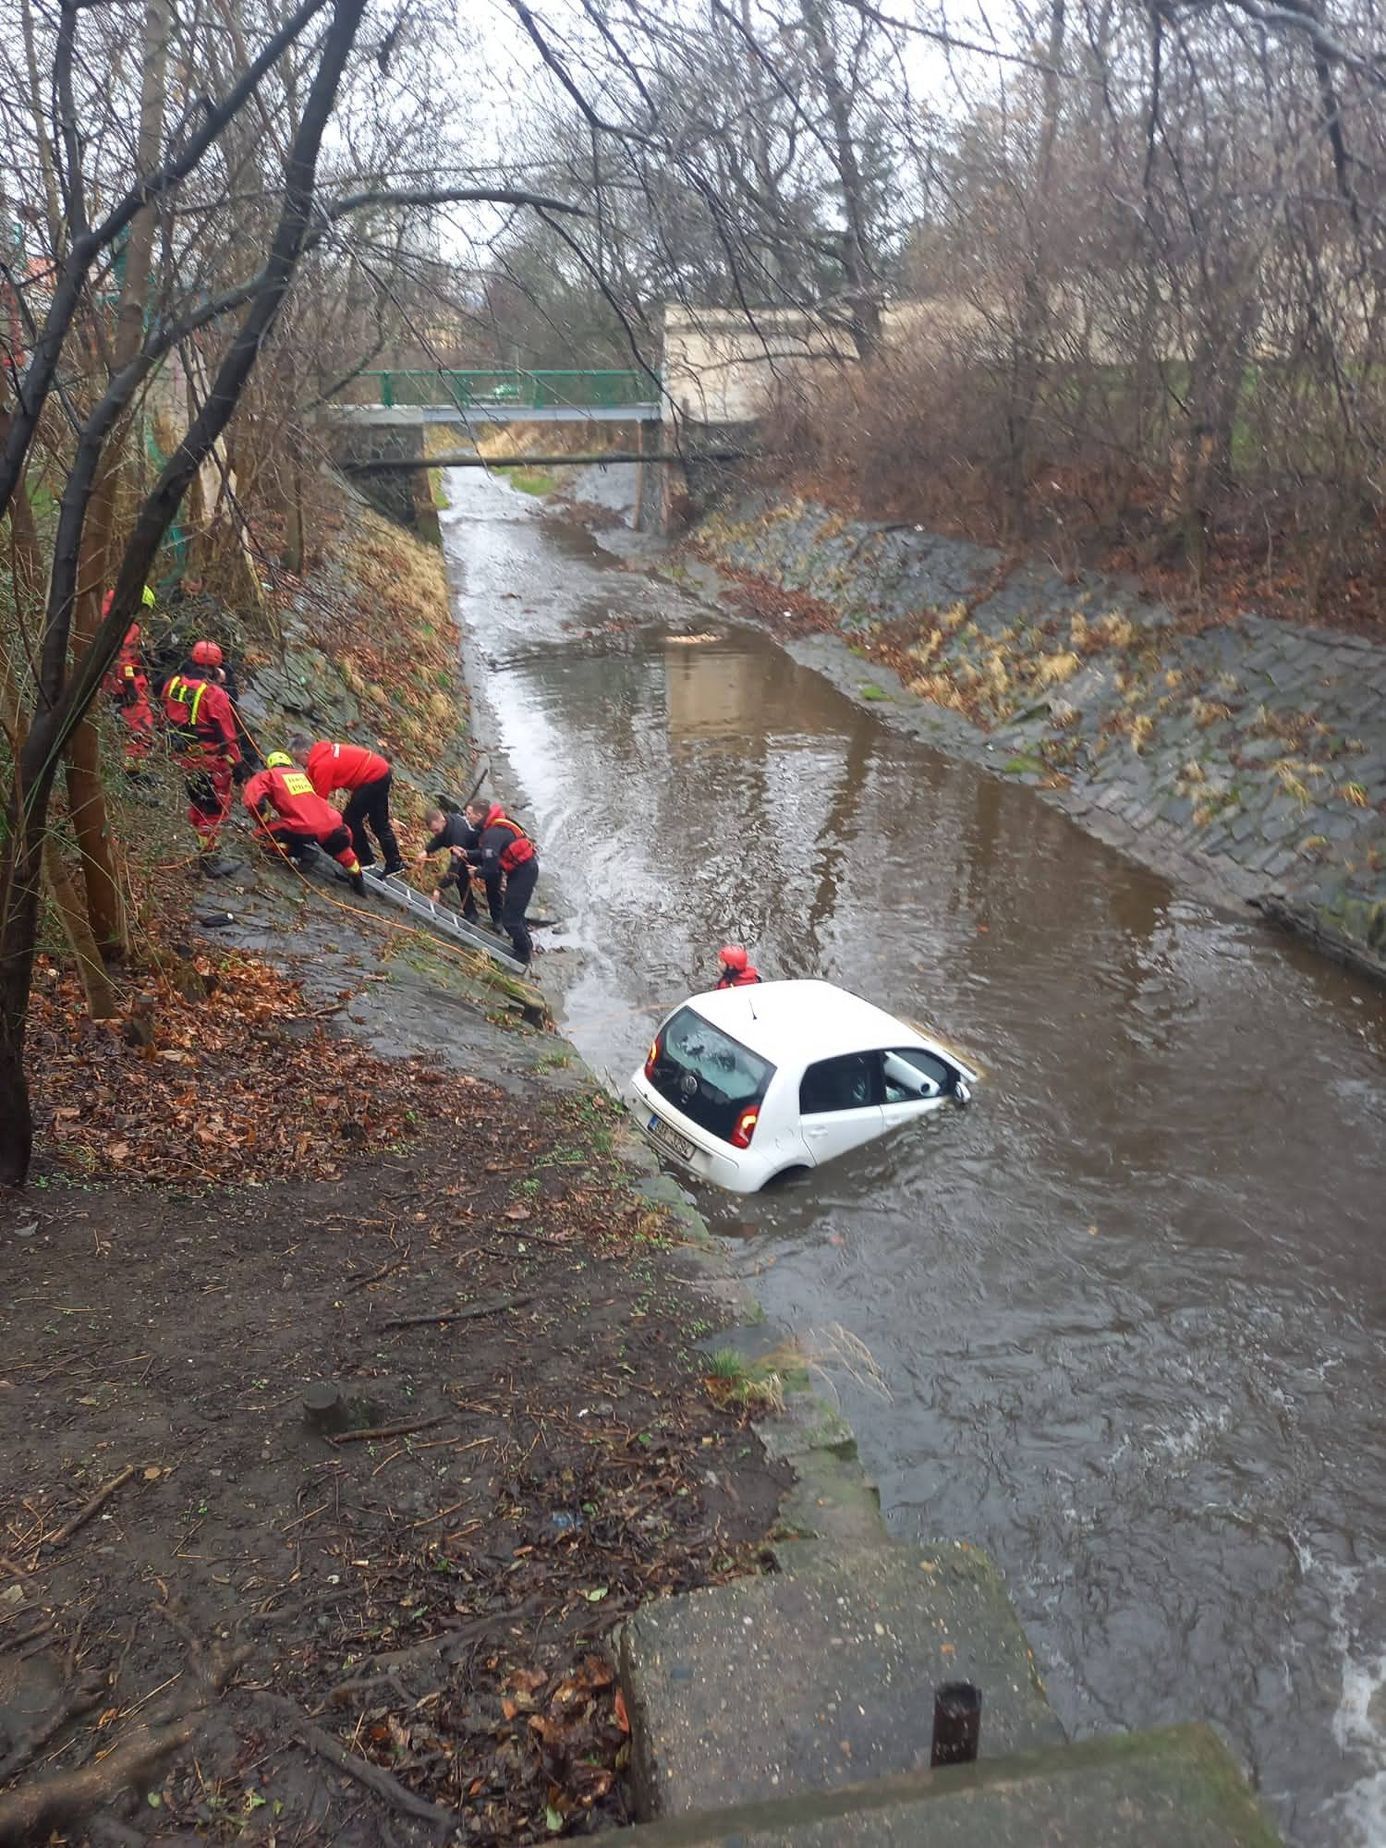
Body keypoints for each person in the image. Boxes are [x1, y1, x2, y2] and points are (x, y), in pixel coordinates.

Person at [160, 641, 243, 855]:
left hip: (183, 755)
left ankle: (202, 844)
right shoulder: (213, 693)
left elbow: (164, 714)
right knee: (214, 806)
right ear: (216, 667)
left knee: (198, 800)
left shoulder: (173, 683)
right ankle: (210, 856)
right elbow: (226, 733)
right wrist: (237, 763)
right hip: (209, 758)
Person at [242, 752, 365, 894]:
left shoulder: (268, 776)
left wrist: (264, 822)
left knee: (259, 836)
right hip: (333, 822)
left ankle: (302, 852)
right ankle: (358, 881)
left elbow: (252, 802)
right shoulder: (302, 776)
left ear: (270, 765)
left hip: (302, 825)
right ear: (290, 764)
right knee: (343, 852)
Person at [290, 735, 403, 877]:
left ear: (306, 753)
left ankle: (366, 861)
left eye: (297, 758)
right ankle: (395, 863)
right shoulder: (322, 753)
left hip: (372, 777)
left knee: (351, 820)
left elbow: (319, 801)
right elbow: (310, 782)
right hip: (380, 771)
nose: (298, 763)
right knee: (379, 823)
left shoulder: (322, 764)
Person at [459, 798, 539, 965]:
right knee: (514, 913)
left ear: (480, 815)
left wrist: (477, 872)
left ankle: (523, 955)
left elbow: (491, 869)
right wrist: (467, 853)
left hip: (524, 872)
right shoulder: (495, 828)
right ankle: (524, 945)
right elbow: (485, 853)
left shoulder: (492, 833)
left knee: (510, 919)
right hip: (521, 870)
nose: (468, 818)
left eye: (469, 814)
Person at [100, 587, 157, 773]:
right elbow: (123, 658)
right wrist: (130, 684)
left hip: (109, 683)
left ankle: (128, 769)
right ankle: (134, 773)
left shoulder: (106, 616)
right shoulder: (126, 626)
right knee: (139, 724)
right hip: (122, 684)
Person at [413, 805, 496, 924]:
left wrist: (439, 889)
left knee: (464, 876)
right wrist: (426, 851)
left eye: (436, 830)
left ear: (442, 821)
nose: (435, 833)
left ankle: (495, 920)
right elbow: (439, 840)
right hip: (466, 851)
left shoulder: (457, 834)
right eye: (432, 831)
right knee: (462, 878)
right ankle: (471, 913)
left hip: (480, 853)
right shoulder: (446, 824)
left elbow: (453, 870)